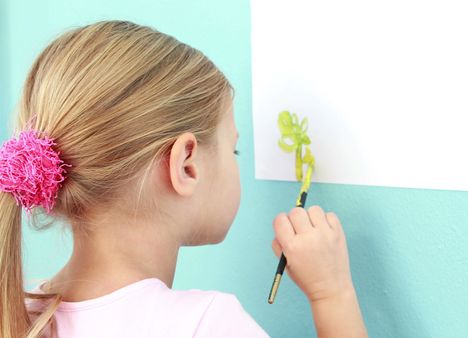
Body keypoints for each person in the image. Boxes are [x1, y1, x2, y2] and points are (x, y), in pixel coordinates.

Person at [0, 20, 367, 338]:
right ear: (186, 165)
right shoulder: (207, 326)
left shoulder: (22, 316)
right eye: (233, 150)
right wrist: (332, 294)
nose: (235, 160)